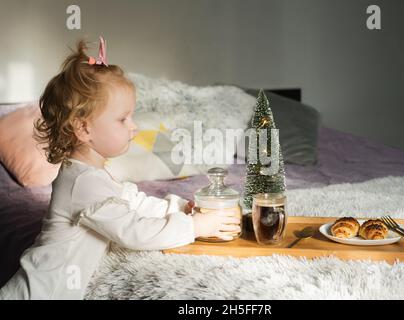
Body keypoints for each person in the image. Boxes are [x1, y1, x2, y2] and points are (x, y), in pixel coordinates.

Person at [0, 37, 240, 300]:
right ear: (84, 128)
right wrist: (193, 227)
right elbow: (134, 232)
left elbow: (131, 203)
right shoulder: (83, 182)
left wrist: (179, 208)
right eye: (122, 118)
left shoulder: (91, 174)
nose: (134, 126)